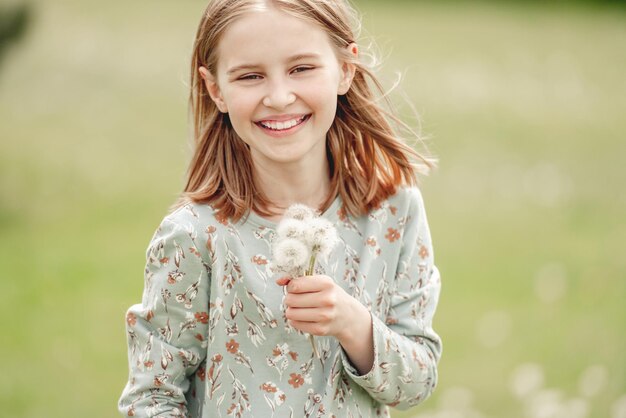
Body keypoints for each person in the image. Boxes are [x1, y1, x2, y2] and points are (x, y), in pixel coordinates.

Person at [118, 0, 442, 416]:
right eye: (250, 76)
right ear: (216, 89)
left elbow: (416, 384)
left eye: (301, 69)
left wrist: (351, 323)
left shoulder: (393, 210)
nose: (279, 96)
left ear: (345, 68)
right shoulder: (194, 235)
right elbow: (151, 398)